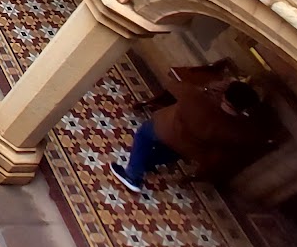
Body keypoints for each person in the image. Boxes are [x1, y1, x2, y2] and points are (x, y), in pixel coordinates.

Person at [111, 68, 270, 193]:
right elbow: (247, 138)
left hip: (168, 130)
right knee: (170, 152)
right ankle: (145, 162)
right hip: (189, 149)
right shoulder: (237, 129)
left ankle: (133, 176)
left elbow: (175, 85)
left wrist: (222, 84)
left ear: (225, 94)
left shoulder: (198, 98)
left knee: (143, 134)